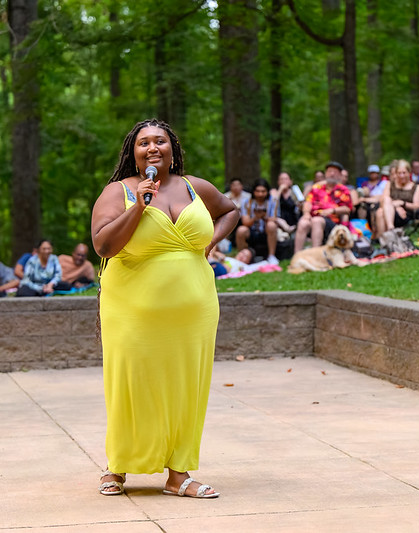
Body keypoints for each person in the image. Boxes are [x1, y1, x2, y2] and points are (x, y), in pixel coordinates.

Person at [91, 118, 238, 498]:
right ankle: (118, 467)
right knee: (131, 384)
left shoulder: (195, 187)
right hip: (132, 310)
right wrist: (139, 205)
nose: (152, 147)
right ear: (133, 153)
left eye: (160, 141)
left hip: (194, 310)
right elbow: (104, 246)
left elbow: (230, 211)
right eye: (144, 143)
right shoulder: (118, 191)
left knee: (187, 386)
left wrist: (211, 243)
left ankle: (178, 475)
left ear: (173, 148)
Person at [293, 161, 353, 251]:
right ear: (326, 173)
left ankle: (315, 255)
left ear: (340, 175)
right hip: (313, 217)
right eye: (329, 171)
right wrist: (306, 214)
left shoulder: (343, 189)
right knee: (303, 223)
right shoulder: (317, 187)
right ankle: (297, 256)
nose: (332, 174)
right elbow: (308, 202)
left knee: (317, 221)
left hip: (332, 222)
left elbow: (347, 209)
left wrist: (333, 210)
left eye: (335, 172)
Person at [375, 159, 419, 237]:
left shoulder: (416, 187)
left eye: (404, 173)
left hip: (406, 214)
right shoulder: (390, 184)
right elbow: (383, 200)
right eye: (399, 173)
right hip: (391, 211)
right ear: (396, 173)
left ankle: (384, 239)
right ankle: (390, 230)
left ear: (409, 173)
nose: (401, 175)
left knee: (380, 212)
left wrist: (402, 203)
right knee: (382, 208)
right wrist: (396, 207)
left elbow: (417, 206)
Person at [236, 178, 279, 264]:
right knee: (241, 230)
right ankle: (242, 257)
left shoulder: (273, 201)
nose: (260, 194)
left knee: (271, 225)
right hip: (251, 230)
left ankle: (271, 256)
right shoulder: (246, 202)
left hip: (266, 230)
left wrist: (263, 217)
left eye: (263, 191)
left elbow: (274, 218)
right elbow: (245, 222)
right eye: (258, 191)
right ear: (253, 191)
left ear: (267, 191)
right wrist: (255, 218)